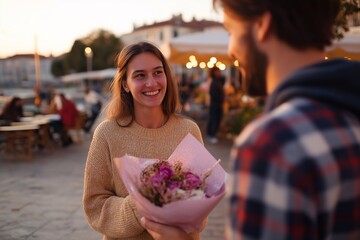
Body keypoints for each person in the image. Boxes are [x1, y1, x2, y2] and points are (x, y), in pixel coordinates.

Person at [141, 0, 360, 239]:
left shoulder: (272, 144)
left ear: (261, 25)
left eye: (231, 31)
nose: (231, 50)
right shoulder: (348, 118)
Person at [82, 41, 205, 240]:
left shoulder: (189, 131)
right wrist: (140, 205)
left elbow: (202, 205)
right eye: (140, 75)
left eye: (158, 72)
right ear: (125, 84)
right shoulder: (107, 134)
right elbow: (94, 205)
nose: (151, 83)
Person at [206, 67, 225, 144]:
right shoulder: (214, 82)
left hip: (217, 104)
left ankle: (213, 134)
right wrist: (221, 98)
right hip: (215, 104)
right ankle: (211, 135)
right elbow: (214, 94)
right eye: (218, 71)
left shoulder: (218, 81)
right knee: (214, 120)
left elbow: (224, 79)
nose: (219, 73)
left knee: (217, 120)